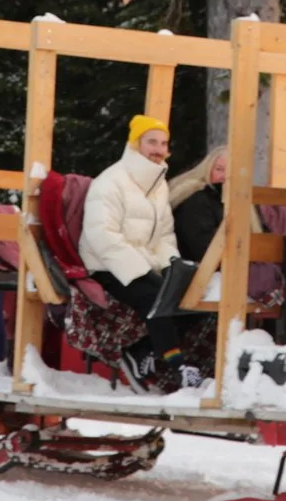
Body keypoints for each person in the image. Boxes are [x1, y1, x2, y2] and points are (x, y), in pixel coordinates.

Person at [80, 115, 224, 387]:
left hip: (145, 263)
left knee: (194, 297)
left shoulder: (157, 185)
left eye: (163, 143)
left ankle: (140, 350)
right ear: (135, 144)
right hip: (108, 265)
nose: (158, 149)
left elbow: (164, 235)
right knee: (157, 299)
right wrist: (142, 271)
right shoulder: (110, 181)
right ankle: (177, 367)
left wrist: (172, 266)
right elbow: (102, 236)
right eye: (151, 142)